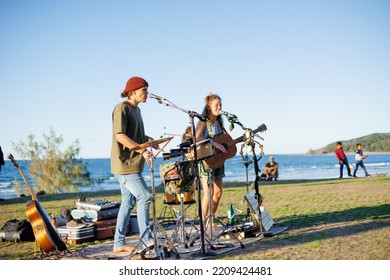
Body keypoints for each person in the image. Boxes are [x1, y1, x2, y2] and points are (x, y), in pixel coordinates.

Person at [111, 76, 155, 253]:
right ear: (133, 91)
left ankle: (118, 243)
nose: (147, 93)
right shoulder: (121, 108)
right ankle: (147, 240)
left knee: (128, 202)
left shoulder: (137, 110)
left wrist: (151, 141)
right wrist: (143, 151)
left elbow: (137, 136)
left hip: (132, 164)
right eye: (144, 90)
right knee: (145, 196)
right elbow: (120, 136)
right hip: (124, 164)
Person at [195, 93, 227, 227]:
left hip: (218, 160)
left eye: (220, 105)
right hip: (206, 160)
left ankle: (211, 220)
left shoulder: (220, 122)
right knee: (209, 193)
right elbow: (196, 138)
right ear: (209, 107)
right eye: (216, 105)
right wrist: (214, 144)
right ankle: (203, 224)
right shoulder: (203, 121)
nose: (219, 107)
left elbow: (225, 139)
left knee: (218, 192)